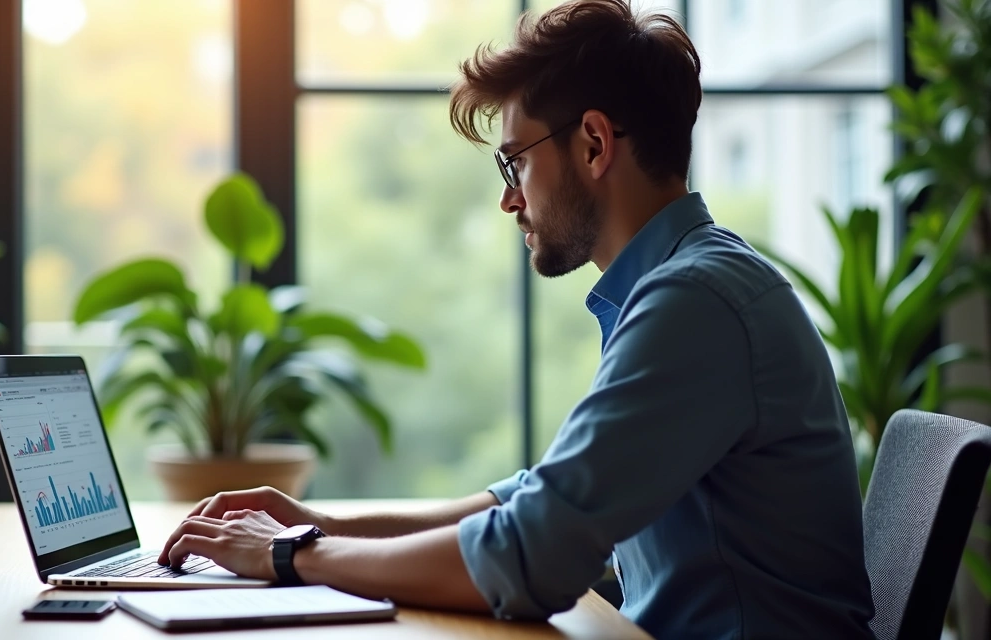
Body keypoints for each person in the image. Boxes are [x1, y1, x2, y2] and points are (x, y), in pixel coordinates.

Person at [157, 1, 875, 637]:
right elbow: (534, 501)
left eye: (515, 165)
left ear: (594, 144)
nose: (510, 201)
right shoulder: (683, 283)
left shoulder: (697, 303)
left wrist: (289, 556)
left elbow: (532, 556)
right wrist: (322, 526)